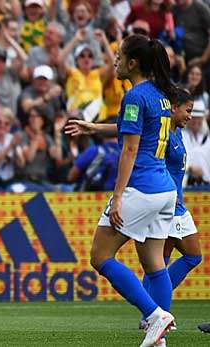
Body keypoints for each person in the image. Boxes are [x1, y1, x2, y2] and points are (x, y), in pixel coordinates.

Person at [65, 34, 179, 347]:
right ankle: (160, 336)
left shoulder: (133, 96)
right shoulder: (160, 94)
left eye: (119, 57)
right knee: (155, 264)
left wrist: (117, 197)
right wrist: (94, 128)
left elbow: (129, 150)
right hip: (165, 191)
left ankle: (155, 316)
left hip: (140, 188)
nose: (114, 62)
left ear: (132, 63)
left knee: (100, 256)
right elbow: (135, 128)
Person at [139, 87, 201, 328]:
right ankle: (153, 315)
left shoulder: (177, 132)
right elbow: (154, 163)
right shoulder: (162, 134)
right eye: (187, 110)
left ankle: (152, 312)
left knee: (191, 256)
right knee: (159, 262)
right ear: (173, 108)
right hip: (167, 204)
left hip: (178, 204)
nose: (189, 116)